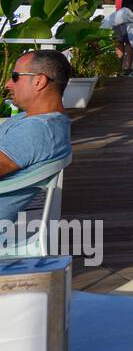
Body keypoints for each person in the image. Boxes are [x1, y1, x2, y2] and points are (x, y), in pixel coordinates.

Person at [0, 50, 72, 225]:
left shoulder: (38, 130)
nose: (8, 84)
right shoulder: (36, 120)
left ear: (39, 81)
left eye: (15, 77)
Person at [106, 0, 131, 71]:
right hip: (118, 14)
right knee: (118, 41)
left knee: (129, 42)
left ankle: (127, 69)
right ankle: (118, 69)